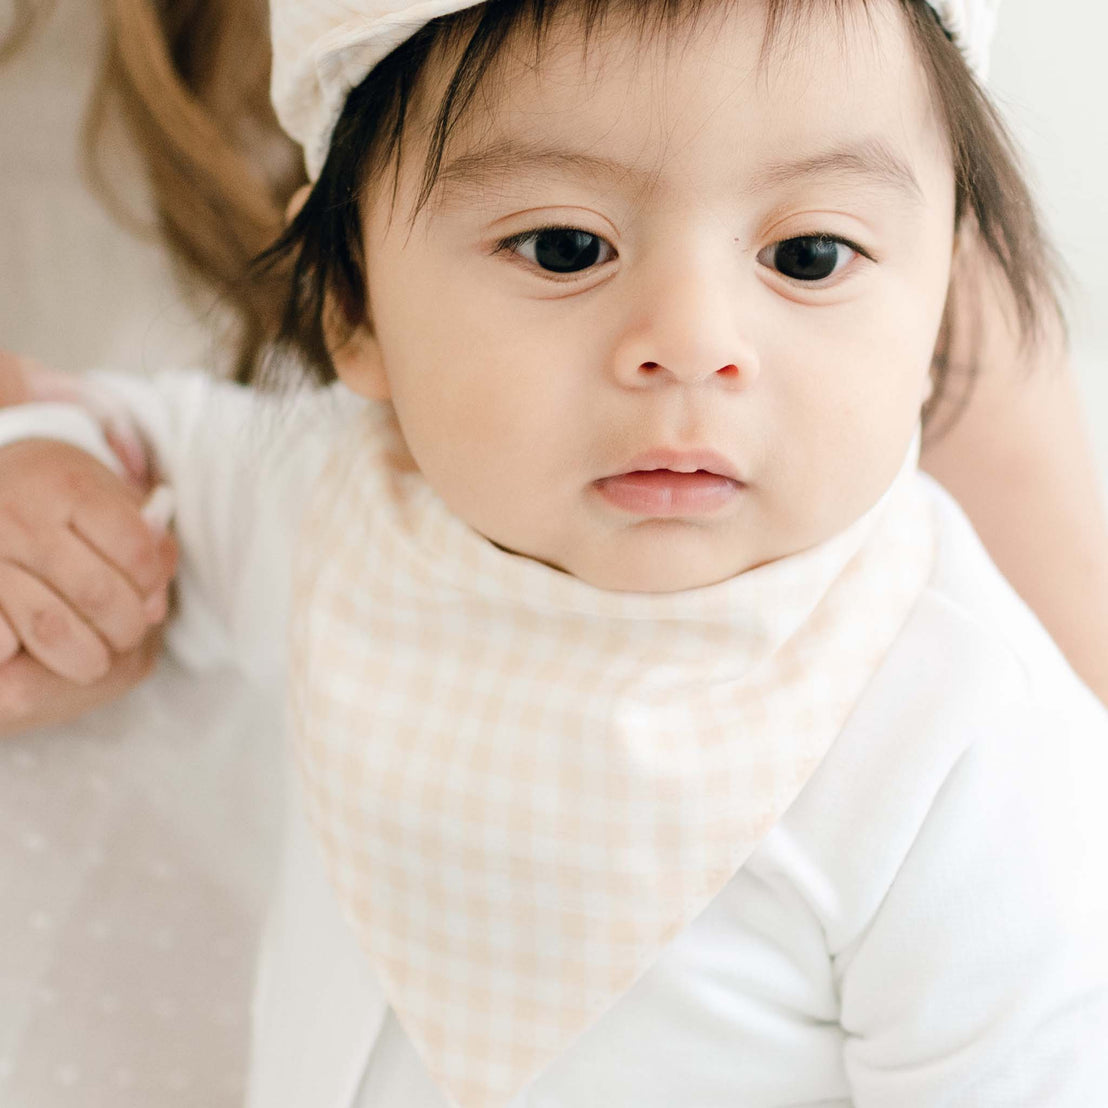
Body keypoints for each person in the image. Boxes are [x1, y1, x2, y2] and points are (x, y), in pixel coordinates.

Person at [1, 0, 1107, 1105]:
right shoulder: (333, 507)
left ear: (942, 312)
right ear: (351, 299)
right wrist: (43, 463)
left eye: (807, 255)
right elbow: (114, 439)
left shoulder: (959, 732)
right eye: (566, 247)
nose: (690, 342)